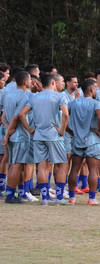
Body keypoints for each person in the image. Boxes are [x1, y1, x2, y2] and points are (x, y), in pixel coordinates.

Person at [19, 74, 69, 205]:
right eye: (61, 81)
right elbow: (65, 114)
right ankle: (59, 197)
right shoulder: (60, 96)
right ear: (53, 83)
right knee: (61, 165)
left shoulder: (35, 97)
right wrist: (62, 130)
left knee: (42, 166)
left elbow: (21, 114)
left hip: (38, 135)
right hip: (54, 135)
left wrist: (30, 130)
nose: (62, 84)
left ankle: (45, 199)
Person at [67, 79, 100, 205]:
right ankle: (92, 198)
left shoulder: (73, 103)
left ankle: (72, 198)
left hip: (77, 139)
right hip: (92, 139)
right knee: (92, 169)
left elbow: (64, 116)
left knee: (74, 169)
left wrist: (69, 131)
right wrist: (99, 130)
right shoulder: (95, 103)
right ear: (92, 89)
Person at [2, 71, 33, 203]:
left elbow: (3, 116)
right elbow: (18, 116)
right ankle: (10, 196)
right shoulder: (24, 97)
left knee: (16, 165)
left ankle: (19, 193)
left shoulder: (9, 94)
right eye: (30, 79)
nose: (31, 82)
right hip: (19, 136)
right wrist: (30, 130)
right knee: (17, 165)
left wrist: (7, 129)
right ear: (25, 82)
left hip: (11, 134)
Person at [61, 75, 81, 193]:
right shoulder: (63, 96)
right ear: (68, 83)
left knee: (77, 159)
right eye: (74, 82)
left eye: (77, 82)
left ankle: (72, 185)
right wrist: (68, 130)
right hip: (68, 132)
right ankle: (62, 185)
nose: (76, 84)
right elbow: (65, 114)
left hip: (77, 133)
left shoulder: (77, 95)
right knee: (66, 158)